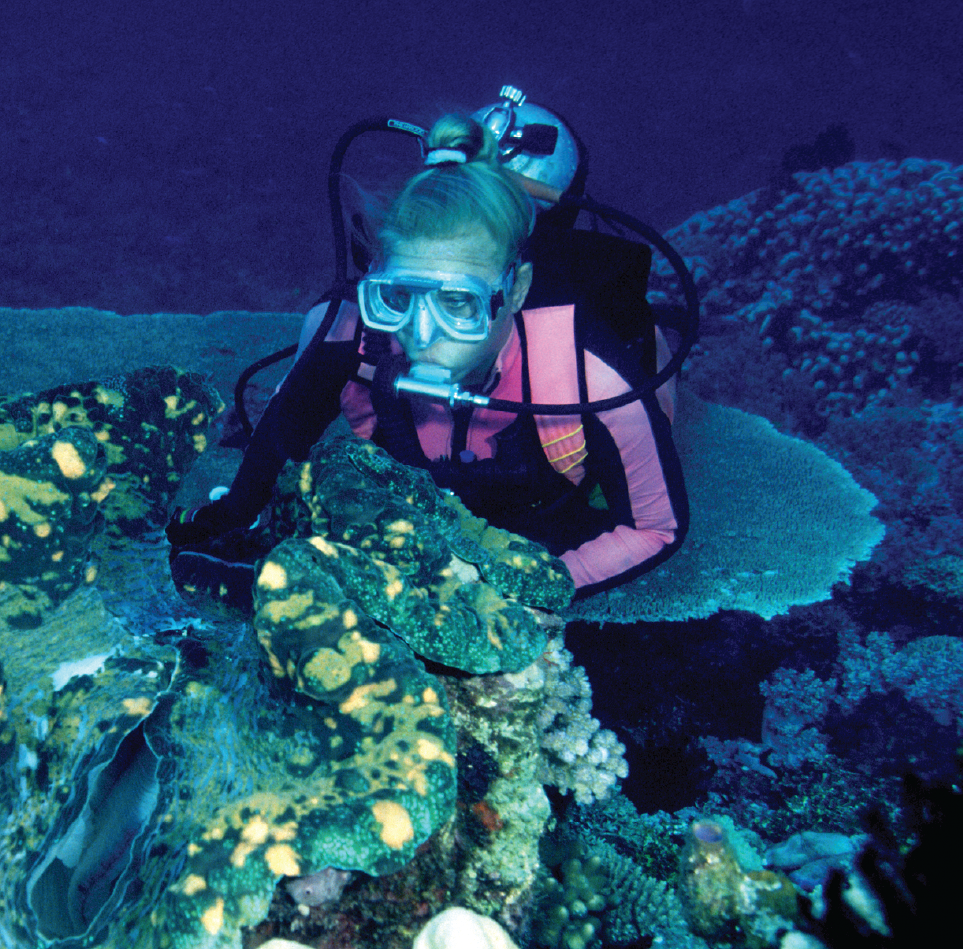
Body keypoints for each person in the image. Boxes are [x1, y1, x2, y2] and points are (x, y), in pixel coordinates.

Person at [167, 112, 688, 599]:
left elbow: (656, 528)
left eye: (458, 302)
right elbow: (274, 450)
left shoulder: (588, 375)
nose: (420, 334)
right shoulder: (351, 338)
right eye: (398, 298)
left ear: (518, 288)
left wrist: (529, 591)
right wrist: (229, 521)